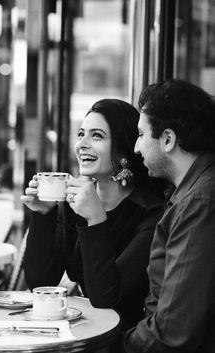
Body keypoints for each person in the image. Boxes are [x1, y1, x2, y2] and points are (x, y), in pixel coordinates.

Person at [21, 98, 165, 330]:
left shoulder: (150, 213)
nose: (82, 144)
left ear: (122, 150)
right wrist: (43, 215)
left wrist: (96, 220)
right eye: (80, 134)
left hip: (126, 337)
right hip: (80, 329)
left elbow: (107, 297)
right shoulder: (73, 203)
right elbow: (40, 283)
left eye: (96, 136)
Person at [122, 79, 215, 352]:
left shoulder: (200, 201)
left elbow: (172, 332)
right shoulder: (190, 193)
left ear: (168, 139)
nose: (136, 148)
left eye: (140, 135)